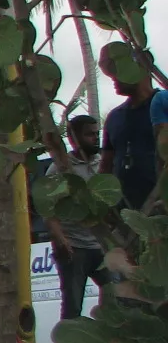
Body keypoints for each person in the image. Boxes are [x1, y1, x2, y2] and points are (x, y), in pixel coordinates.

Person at [46, 114, 108, 319]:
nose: (95, 138)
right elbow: (48, 210)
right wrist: (62, 240)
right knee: (73, 307)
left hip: (101, 247)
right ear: (73, 138)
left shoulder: (103, 165)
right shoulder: (60, 169)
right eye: (89, 135)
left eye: (97, 134)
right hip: (75, 248)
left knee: (116, 298)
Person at [100, 51, 164, 210]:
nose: (113, 78)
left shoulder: (163, 106)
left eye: (119, 71)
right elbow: (106, 166)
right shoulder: (115, 117)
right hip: (127, 212)